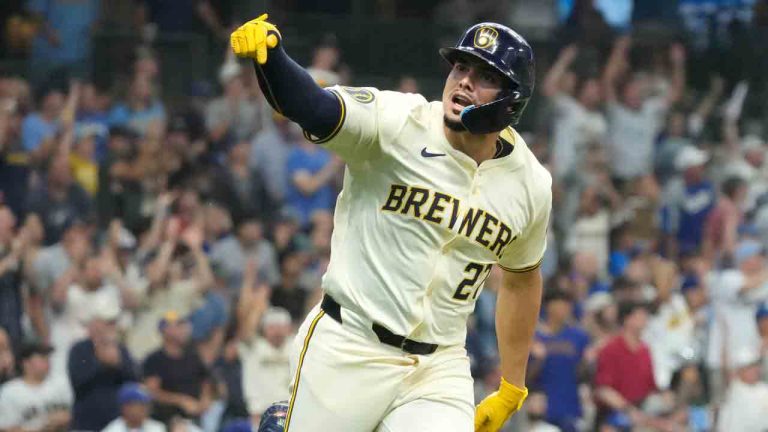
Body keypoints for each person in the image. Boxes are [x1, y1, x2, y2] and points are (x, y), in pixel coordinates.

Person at [231, 14, 550, 431]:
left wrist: (512, 385)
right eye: (461, 67)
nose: (465, 82)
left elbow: (522, 278)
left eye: (485, 75)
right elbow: (313, 106)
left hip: (438, 368)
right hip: (350, 348)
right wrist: (272, 58)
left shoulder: (530, 184)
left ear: (512, 100)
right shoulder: (398, 121)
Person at [68, 298, 138, 431]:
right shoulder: (79, 349)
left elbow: (133, 379)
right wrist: (101, 364)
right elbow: (78, 382)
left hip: (117, 422)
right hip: (87, 421)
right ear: (93, 324)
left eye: (113, 323)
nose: (111, 326)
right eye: (108, 322)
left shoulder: (120, 348)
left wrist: (117, 364)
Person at [142, 311, 213, 425]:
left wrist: (205, 398)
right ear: (165, 330)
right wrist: (180, 400)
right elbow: (152, 392)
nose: (184, 330)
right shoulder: (155, 360)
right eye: (178, 326)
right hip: (166, 420)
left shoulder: (193, 356)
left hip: (194, 420)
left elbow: (205, 379)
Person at [0, 343, 72, 432]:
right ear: (26, 363)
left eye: (48, 356)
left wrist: (65, 418)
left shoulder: (61, 382)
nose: (47, 360)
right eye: (42, 357)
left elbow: (77, 412)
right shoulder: (10, 391)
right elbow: (5, 428)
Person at [102, 382, 167, 432]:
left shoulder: (158, 428)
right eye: (140, 405)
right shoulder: (112, 429)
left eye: (145, 405)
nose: (144, 409)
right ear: (125, 407)